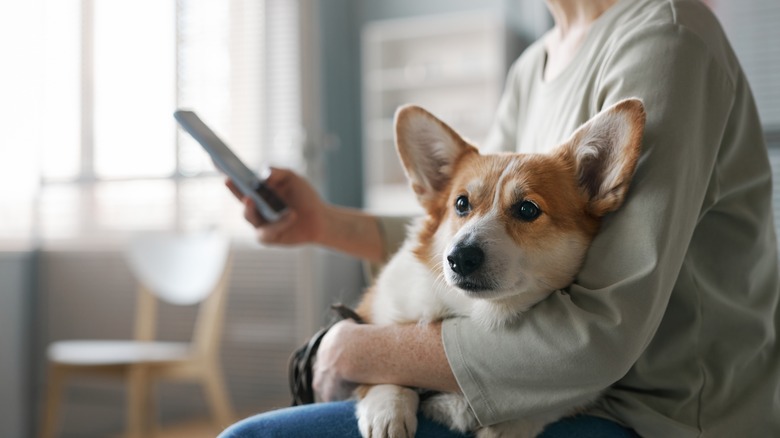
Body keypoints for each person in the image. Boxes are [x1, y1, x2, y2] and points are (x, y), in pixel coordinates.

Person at [220, 0, 780, 436]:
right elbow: (469, 229)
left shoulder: (667, 41)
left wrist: (357, 350)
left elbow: (601, 337)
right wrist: (322, 223)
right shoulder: (533, 65)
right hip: (532, 391)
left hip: (655, 416)